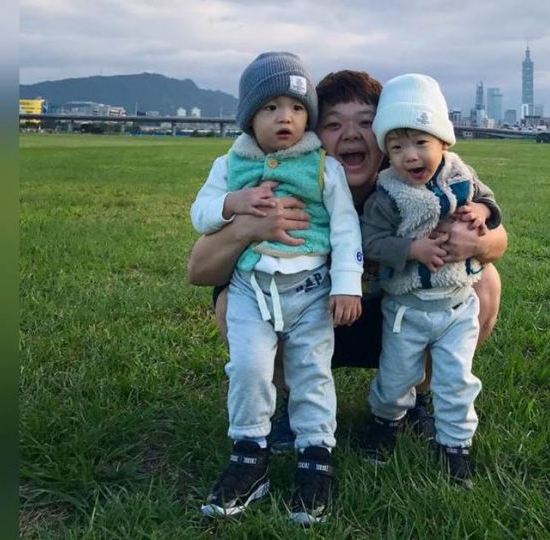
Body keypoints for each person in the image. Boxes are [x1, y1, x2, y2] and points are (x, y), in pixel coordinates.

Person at [185, 69, 507, 456]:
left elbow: (497, 239)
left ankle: (416, 396)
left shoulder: (414, 177)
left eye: (366, 123)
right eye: (334, 125)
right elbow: (199, 271)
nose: (351, 135)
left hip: (398, 320)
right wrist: (247, 228)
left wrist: (476, 239)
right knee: (230, 299)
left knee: (486, 283)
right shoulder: (292, 184)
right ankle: (292, 398)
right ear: (313, 133)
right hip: (312, 317)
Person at [191, 52, 362, 525]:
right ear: (249, 116)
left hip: (311, 290)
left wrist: (347, 285)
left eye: (296, 107)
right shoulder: (230, 164)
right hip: (251, 289)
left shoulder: (323, 167)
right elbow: (200, 213)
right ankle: (249, 453)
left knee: (312, 373)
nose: (285, 117)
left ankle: (316, 456)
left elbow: (345, 228)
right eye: (270, 107)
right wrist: (233, 203)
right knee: (248, 368)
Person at [360, 74, 499, 488]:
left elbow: (489, 201)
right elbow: (370, 242)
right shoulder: (387, 195)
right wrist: (411, 249)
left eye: (421, 142)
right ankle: (386, 422)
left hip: (457, 305)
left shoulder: (462, 175)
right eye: (396, 147)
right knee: (395, 378)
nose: (410, 156)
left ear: (443, 142)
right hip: (407, 309)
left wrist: (482, 213)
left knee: (457, 380)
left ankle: (455, 443)